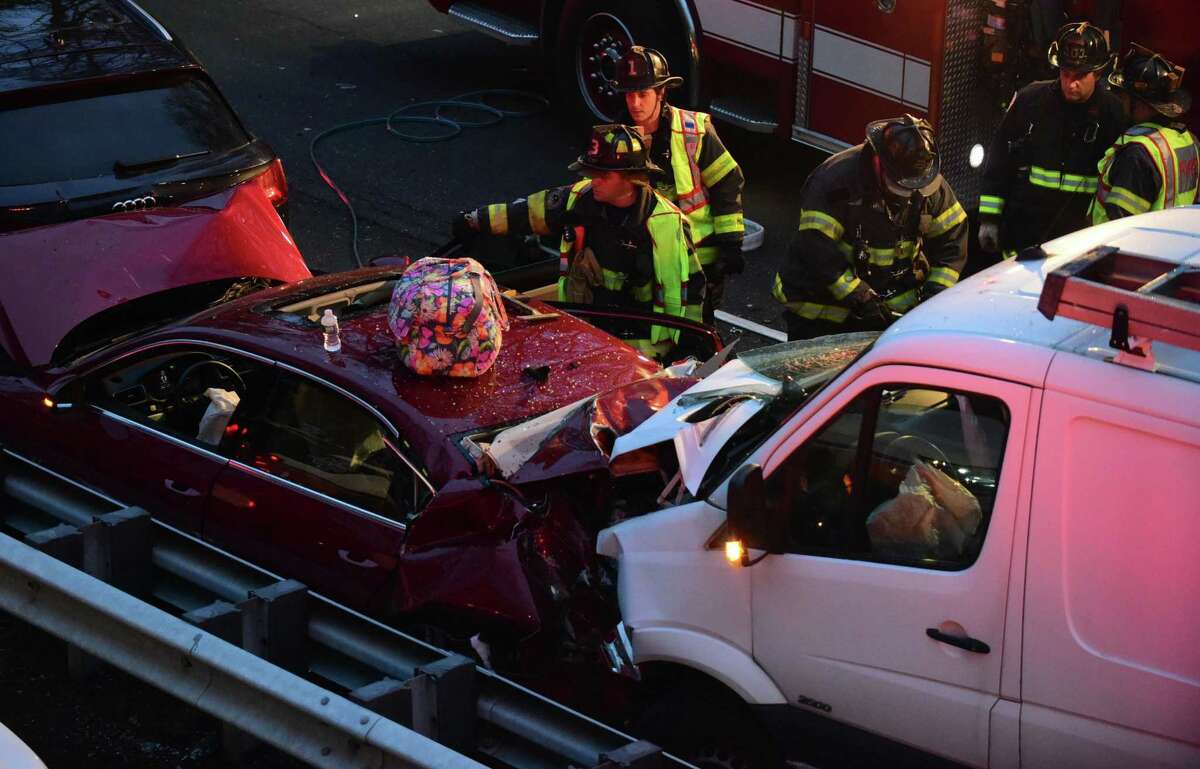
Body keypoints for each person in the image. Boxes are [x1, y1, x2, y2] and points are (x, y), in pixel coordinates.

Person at [452, 124, 704, 358]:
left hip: (641, 349)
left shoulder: (667, 224)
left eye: (603, 175)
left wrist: (689, 351)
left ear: (631, 178)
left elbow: (692, 290)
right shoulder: (579, 199)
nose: (594, 180)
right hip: (583, 328)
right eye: (593, 172)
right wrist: (475, 219)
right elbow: (528, 212)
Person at [773, 115, 967, 341]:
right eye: (897, 186)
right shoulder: (835, 183)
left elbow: (953, 240)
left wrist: (934, 296)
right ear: (879, 162)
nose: (906, 196)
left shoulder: (926, 183)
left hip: (886, 318)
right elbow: (816, 251)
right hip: (820, 312)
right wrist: (861, 297)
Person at [612, 45, 745, 323]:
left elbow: (727, 180)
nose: (634, 104)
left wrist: (730, 241)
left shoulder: (694, 130)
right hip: (645, 260)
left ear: (661, 92)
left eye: (643, 94)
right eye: (629, 94)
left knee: (698, 332)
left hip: (698, 259)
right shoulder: (613, 141)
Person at [979, 22, 1126, 260]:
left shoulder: (1113, 114)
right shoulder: (1031, 100)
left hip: (1079, 241)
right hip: (1024, 234)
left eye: (1080, 76)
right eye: (1066, 73)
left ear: (1098, 73)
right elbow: (1000, 160)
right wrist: (989, 219)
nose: (1071, 83)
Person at [1093, 44, 1198, 223]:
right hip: (1171, 245)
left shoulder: (1138, 154)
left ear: (1140, 103)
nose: (1121, 102)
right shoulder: (1188, 140)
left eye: (1124, 96)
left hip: (1130, 248)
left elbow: (1119, 225)